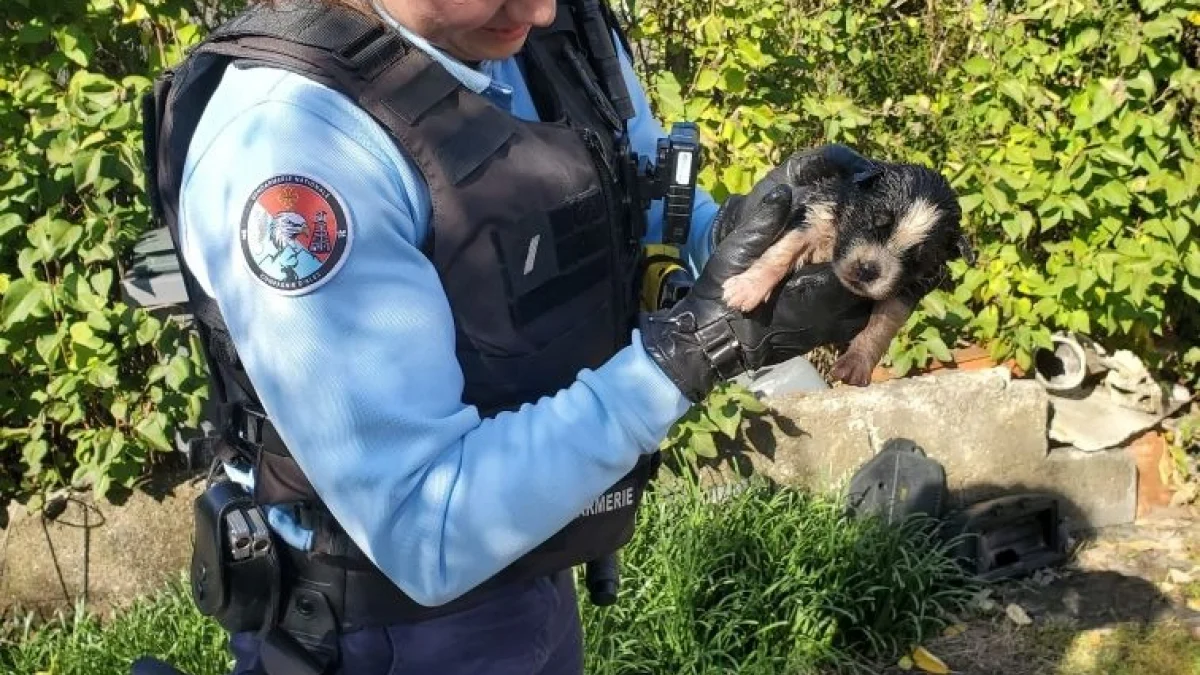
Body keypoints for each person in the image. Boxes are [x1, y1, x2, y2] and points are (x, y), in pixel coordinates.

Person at [141, 0, 876, 673]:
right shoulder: (296, 143)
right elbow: (424, 531)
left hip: (532, 553)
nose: (541, 10)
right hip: (388, 626)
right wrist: (693, 351)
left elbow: (644, 200)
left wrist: (776, 238)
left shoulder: (544, 33)